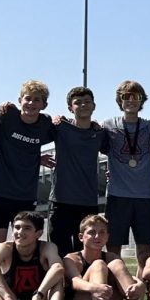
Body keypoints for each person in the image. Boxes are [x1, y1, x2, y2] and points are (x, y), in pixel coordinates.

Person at [0, 80, 55, 253]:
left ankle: (15, 280)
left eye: (37, 100)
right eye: (27, 98)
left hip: (25, 195)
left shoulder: (45, 124)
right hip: (0, 192)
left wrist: (35, 158)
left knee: (23, 246)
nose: (31, 103)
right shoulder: (6, 114)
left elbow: (66, 132)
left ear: (44, 104)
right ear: (19, 100)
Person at [101, 80, 150, 275]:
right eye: (126, 96)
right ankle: (117, 287)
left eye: (136, 97)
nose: (131, 101)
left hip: (144, 196)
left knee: (144, 253)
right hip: (117, 195)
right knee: (113, 250)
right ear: (120, 100)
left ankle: (141, 289)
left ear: (142, 100)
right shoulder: (108, 125)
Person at [62, 214, 150, 300]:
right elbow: (75, 281)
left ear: (107, 237)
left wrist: (140, 284)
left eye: (102, 232)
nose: (97, 236)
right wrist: (95, 288)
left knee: (116, 264)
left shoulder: (112, 257)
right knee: (99, 264)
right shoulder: (72, 258)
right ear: (81, 237)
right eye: (92, 232)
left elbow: (126, 278)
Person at [47, 87, 108, 256]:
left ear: (94, 106)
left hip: (87, 202)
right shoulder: (60, 127)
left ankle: (84, 282)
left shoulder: (100, 133)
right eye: (77, 102)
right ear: (70, 108)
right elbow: (32, 134)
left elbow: (115, 152)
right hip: (61, 200)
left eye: (87, 101)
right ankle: (60, 283)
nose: (83, 105)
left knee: (86, 253)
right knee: (59, 251)